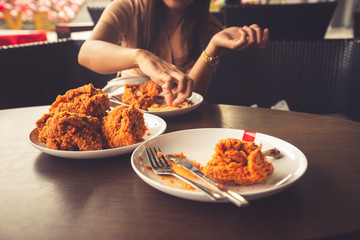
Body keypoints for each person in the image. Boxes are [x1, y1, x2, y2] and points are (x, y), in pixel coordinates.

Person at [78, 0, 269, 106]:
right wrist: (140, 57)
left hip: (174, 115)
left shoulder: (210, 27)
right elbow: (86, 53)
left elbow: (188, 96)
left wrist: (213, 47)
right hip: (124, 105)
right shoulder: (129, 6)